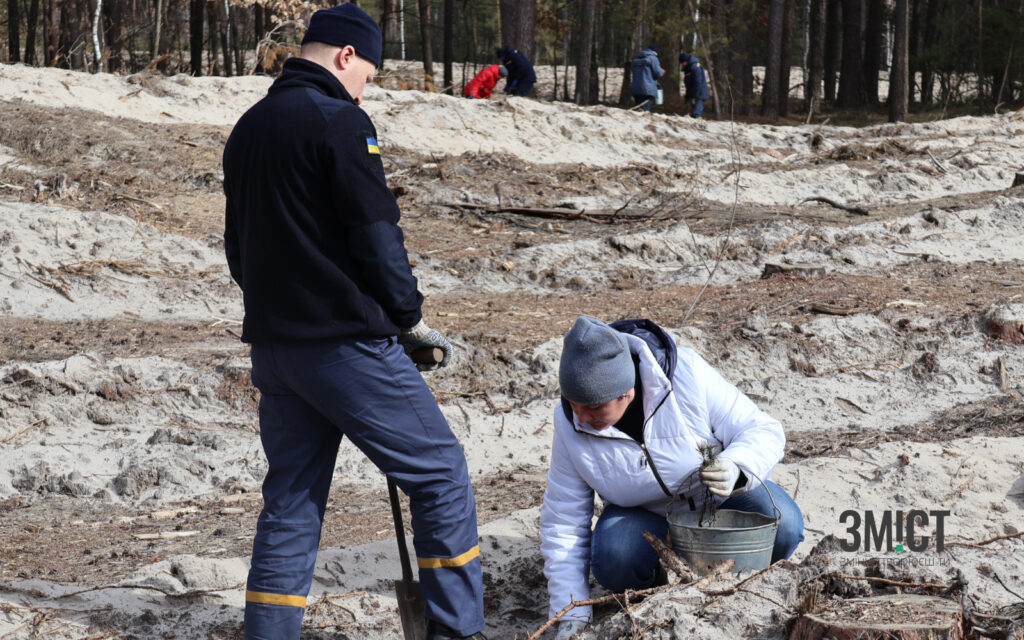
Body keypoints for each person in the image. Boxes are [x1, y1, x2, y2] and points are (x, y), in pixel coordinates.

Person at [221, 4, 486, 640]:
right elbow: (376, 233)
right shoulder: (341, 120)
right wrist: (408, 319)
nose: (367, 83)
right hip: (344, 347)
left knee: (291, 500)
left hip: (276, 351)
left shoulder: (249, 125)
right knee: (441, 475)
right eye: (368, 70)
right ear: (345, 56)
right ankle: (460, 631)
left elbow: (238, 246)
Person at [540, 316, 804, 640]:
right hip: (645, 516)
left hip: (718, 502)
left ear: (627, 392)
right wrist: (571, 613)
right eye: (573, 404)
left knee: (786, 525)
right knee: (614, 555)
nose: (581, 417)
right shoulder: (570, 423)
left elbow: (763, 429)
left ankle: (740, 581)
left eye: (594, 407)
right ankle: (661, 593)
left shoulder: (686, 373)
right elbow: (563, 518)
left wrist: (736, 468)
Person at [630, 45, 664, 112]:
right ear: (654, 52)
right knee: (645, 110)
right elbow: (658, 73)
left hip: (636, 88)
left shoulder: (636, 59)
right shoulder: (653, 58)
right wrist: (662, 71)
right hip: (647, 90)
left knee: (639, 108)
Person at [679, 52, 709, 118]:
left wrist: (695, 94)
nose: (682, 64)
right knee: (692, 112)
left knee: (696, 113)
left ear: (685, 61)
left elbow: (698, 82)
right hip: (693, 93)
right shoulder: (688, 69)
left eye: (682, 62)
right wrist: (688, 95)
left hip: (699, 93)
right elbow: (688, 83)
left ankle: (698, 123)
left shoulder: (695, 67)